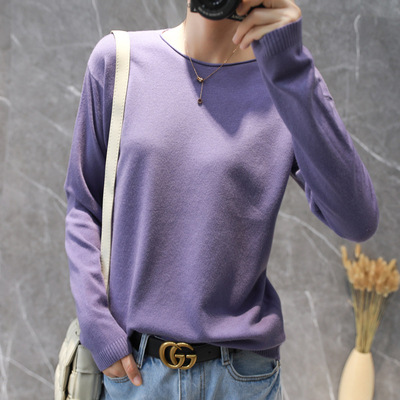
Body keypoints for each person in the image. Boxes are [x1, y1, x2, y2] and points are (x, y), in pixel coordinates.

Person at [63, 0, 379, 398]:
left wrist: (291, 67)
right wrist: (97, 326)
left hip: (241, 379)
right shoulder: (119, 61)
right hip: (136, 373)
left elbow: (357, 220)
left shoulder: (285, 81)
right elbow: (83, 205)